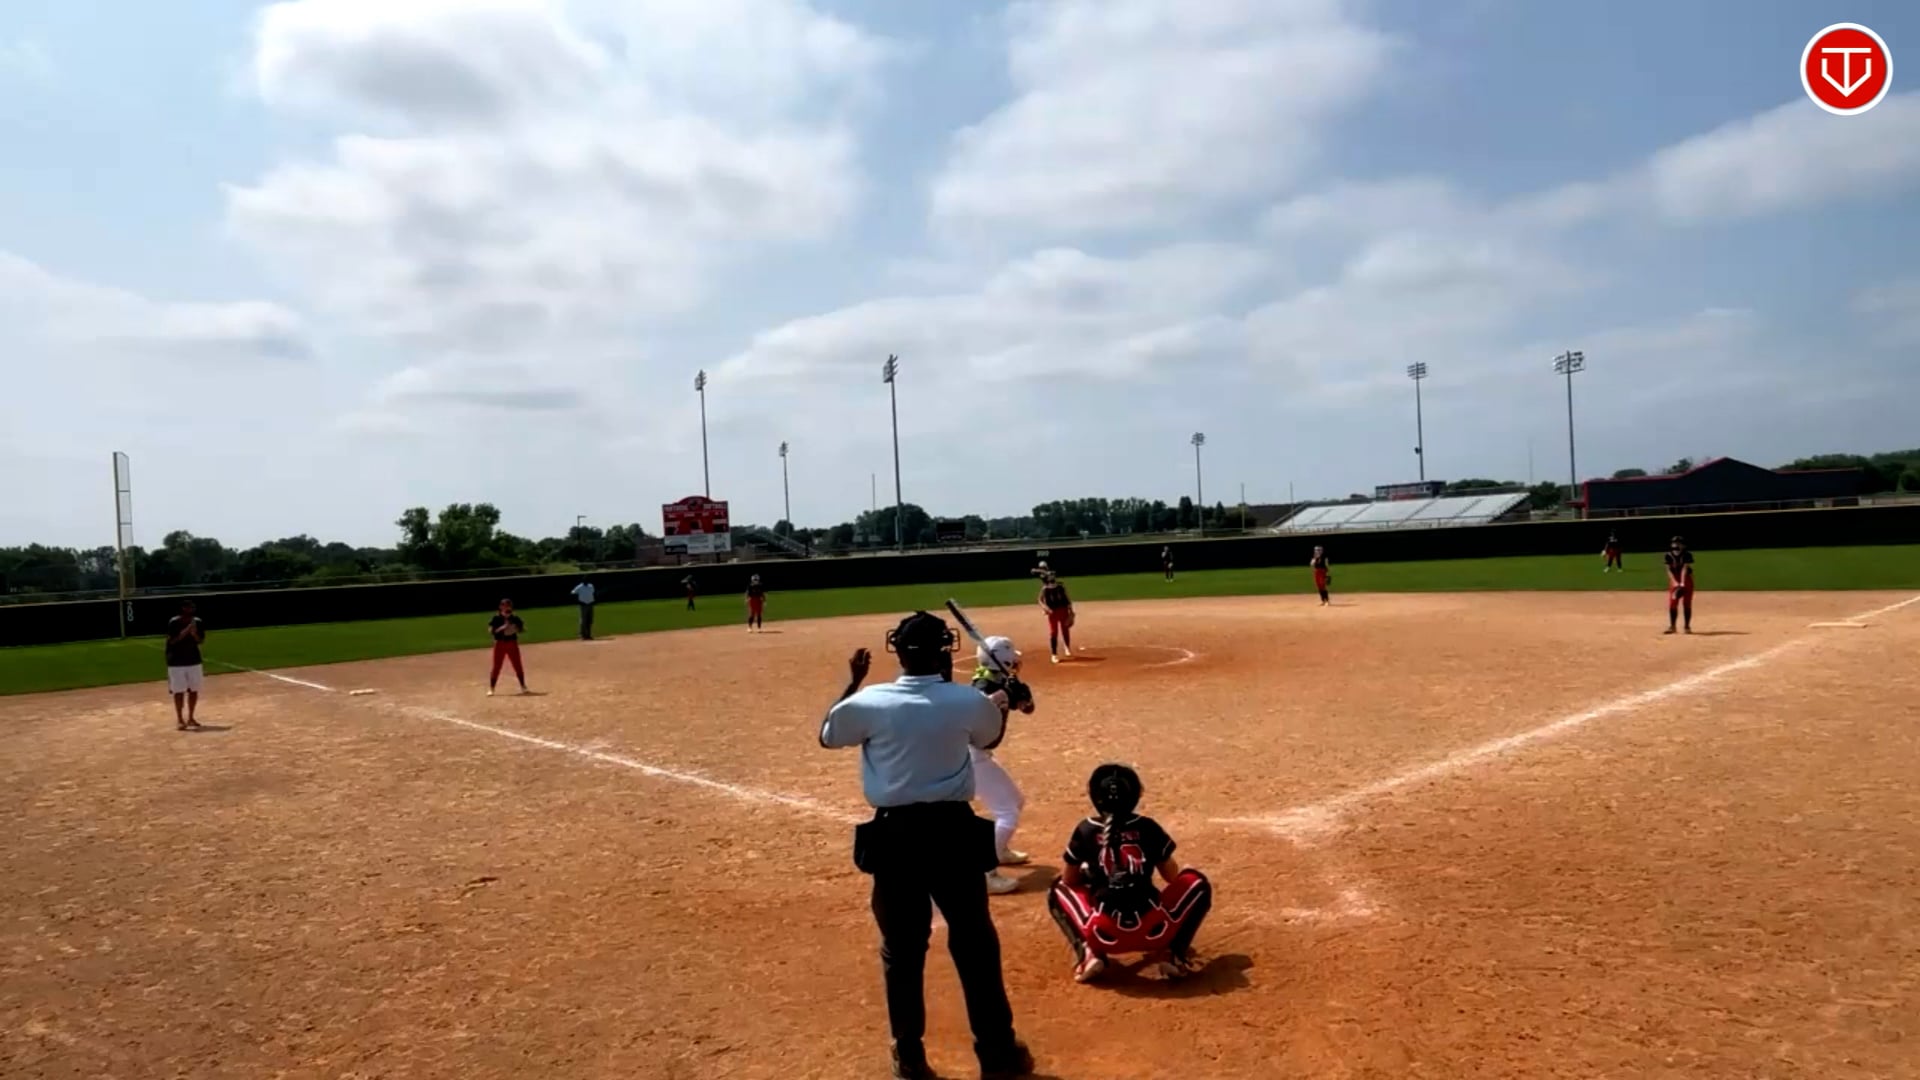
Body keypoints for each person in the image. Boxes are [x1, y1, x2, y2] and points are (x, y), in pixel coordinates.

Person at [819, 612, 1034, 1080]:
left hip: (894, 836)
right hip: (953, 833)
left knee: (901, 950)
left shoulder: (868, 701)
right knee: (975, 943)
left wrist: (853, 683)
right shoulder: (966, 700)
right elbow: (990, 736)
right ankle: (997, 1053)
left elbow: (828, 735)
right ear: (945, 651)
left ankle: (910, 1056)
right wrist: (1003, 700)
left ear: (897, 651)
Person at [1046, 764, 1214, 984]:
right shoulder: (1148, 827)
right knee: (1197, 881)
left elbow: (1069, 880)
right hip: (1155, 929)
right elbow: (1172, 876)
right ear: (1135, 795)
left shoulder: (1086, 829)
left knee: (1058, 887)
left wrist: (1091, 875)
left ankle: (1088, 952)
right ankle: (1173, 953)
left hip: (1102, 931)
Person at [969, 635, 1036, 895]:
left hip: (981, 753)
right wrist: (1002, 694)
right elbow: (978, 708)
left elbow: (1027, 709)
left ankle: (1000, 851)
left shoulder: (1001, 681)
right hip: (970, 755)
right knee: (1008, 813)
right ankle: (984, 872)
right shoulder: (981, 685)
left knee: (1015, 802)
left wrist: (1021, 695)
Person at [164, 600, 206, 730]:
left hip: (193, 660)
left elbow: (201, 641)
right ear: (183, 608)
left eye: (192, 607)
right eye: (189, 607)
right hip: (176, 662)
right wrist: (187, 630)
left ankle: (191, 718)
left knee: (194, 690)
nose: (191, 610)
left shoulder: (198, 622)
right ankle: (180, 719)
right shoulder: (174, 622)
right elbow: (173, 641)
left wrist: (194, 634)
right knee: (178, 691)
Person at [487, 599, 530, 695]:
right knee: (497, 666)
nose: (507, 607)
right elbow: (491, 631)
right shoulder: (496, 618)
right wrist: (502, 628)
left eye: (508, 605)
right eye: (505, 605)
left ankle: (523, 686)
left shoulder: (515, 618)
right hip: (500, 644)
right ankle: (492, 688)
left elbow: (522, 629)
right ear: (500, 607)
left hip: (512, 643)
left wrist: (516, 629)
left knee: (517, 665)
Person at [1037, 572, 1075, 663]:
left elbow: (1067, 598)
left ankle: (1067, 648)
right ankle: (1054, 654)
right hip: (1053, 612)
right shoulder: (1045, 589)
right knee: (1054, 632)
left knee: (1065, 629)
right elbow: (1039, 599)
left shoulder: (1060, 586)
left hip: (1063, 610)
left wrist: (1071, 610)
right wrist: (1045, 608)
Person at [1664, 536, 1695, 635]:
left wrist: (1682, 583)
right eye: (1674, 543)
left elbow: (1684, 569)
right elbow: (1669, 570)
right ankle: (1672, 626)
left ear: (1683, 545)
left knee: (1687, 603)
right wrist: (1675, 583)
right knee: (1673, 602)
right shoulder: (1668, 555)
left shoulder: (1687, 555)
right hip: (1675, 579)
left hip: (1686, 579)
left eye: (1678, 543)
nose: (1676, 545)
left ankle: (1687, 627)